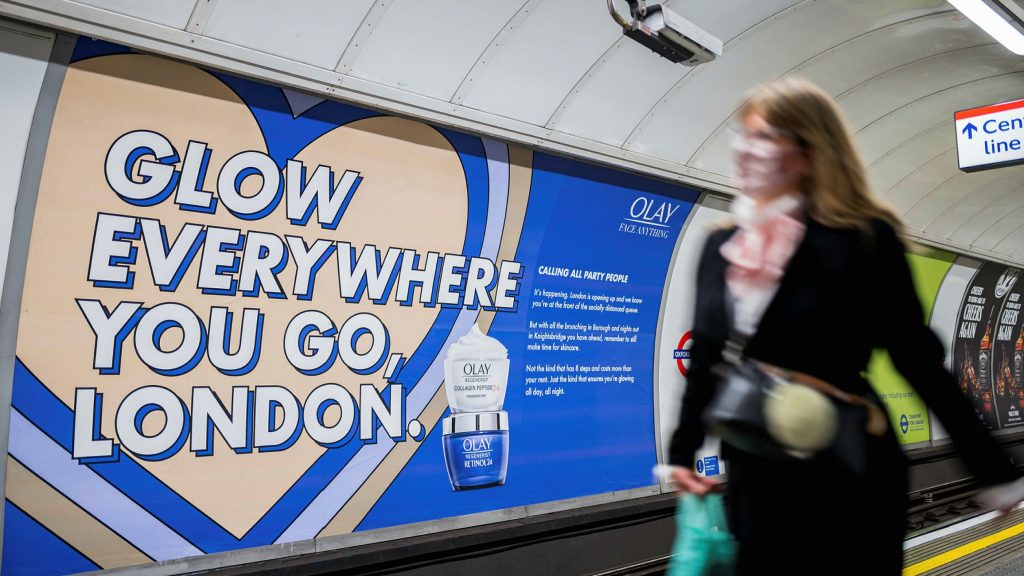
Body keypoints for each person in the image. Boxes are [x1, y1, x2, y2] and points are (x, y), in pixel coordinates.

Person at [667, 78, 1022, 575]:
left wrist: (989, 467)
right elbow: (704, 359)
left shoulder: (863, 239)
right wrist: (681, 455)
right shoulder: (721, 246)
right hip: (759, 468)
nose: (746, 151)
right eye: (742, 137)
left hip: (850, 459)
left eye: (764, 138)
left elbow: (915, 358)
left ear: (810, 153)